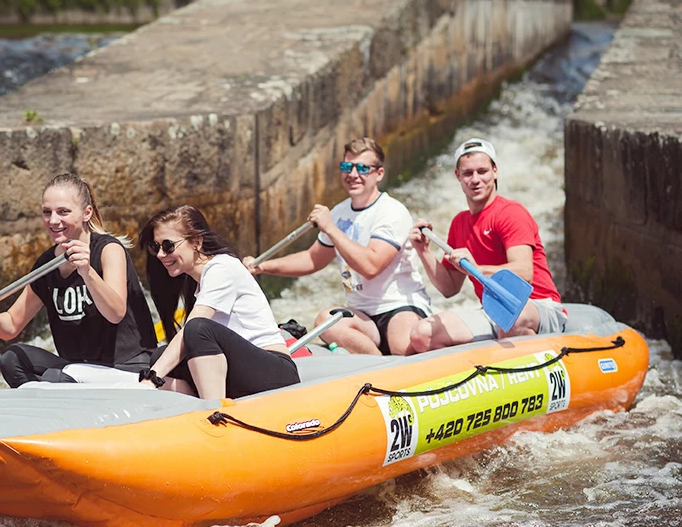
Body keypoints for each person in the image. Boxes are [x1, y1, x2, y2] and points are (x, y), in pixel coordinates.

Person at [0, 173, 157, 387]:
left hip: (125, 367)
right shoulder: (47, 263)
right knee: (13, 359)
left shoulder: (108, 250)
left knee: (57, 378)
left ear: (86, 213)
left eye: (63, 212)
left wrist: (87, 272)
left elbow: (116, 313)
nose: (53, 221)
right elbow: (10, 327)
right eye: (47, 213)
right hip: (77, 369)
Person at [243, 137, 431, 356]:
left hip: (399, 306)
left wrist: (331, 228)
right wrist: (262, 266)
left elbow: (371, 266)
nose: (352, 174)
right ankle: (377, 368)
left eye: (362, 168)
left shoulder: (392, 212)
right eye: (346, 167)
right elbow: (313, 259)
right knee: (325, 320)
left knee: (401, 345)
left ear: (379, 174)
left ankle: (391, 368)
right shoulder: (340, 212)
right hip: (362, 314)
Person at [407, 137, 566, 352]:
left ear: (495, 172)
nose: (475, 179)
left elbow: (524, 272)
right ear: (458, 177)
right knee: (422, 334)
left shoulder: (510, 213)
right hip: (493, 311)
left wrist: (477, 269)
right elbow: (449, 288)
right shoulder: (459, 223)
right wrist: (423, 251)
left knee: (510, 320)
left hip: (538, 306)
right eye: (467, 173)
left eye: (482, 172)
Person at [136, 204, 299, 400]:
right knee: (160, 356)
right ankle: (191, 411)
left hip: (275, 372)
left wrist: (151, 378)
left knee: (197, 329)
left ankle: (213, 412)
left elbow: (194, 328)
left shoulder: (222, 267)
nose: (161, 254)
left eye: (168, 245)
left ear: (196, 242)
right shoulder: (195, 282)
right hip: (239, 371)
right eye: (155, 247)